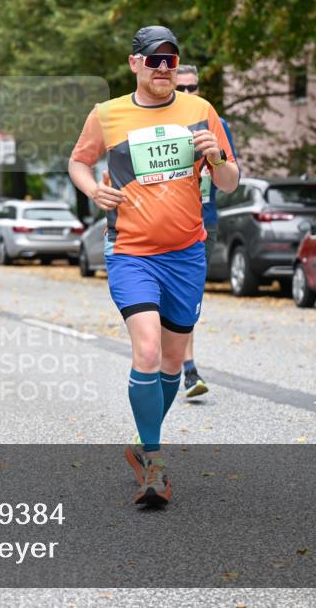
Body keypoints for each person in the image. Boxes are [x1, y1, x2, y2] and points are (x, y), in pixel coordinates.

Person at [68, 26, 239, 507]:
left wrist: (217, 157)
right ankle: (156, 463)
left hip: (186, 255)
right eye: (154, 60)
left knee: (171, 363)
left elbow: (229, 181)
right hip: (131, 252)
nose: (163, 68)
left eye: (171, 60)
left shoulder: (201, 111)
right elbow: (78, 162)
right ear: (135, 64)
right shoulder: (107, 114)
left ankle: (145, 446)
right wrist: (93, 189)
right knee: (146, 351)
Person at [175, 64, 241, 399]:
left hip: (203, 222)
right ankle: (170, 362)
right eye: (181, 88)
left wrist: (215, 157)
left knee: (187, 297)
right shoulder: (155, 124)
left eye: (193, 87)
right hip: (160, 223)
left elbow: (230, 180)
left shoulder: (216, 124)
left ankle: (188, 370)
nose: (188, 93)